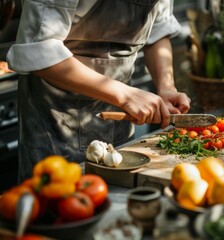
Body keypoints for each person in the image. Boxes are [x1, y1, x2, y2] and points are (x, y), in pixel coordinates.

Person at [6, 0, 191, 182]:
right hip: (56, 118)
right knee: (55, 200)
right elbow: (39, 49)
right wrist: (126, 95)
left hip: (121, 115)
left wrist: (166, 87)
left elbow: (158, 28)